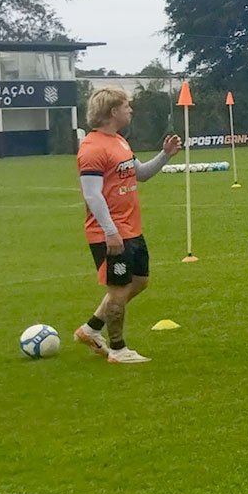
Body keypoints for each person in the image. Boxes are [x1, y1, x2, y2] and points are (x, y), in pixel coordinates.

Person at [72, 87, 182, 364]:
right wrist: (110, 231)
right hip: (110, 232)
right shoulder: (92, 148)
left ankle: (90, 329)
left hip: (131, 228)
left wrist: (165, 154)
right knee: (119, 289)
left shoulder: (119, 141)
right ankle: (118, 350)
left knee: (139, 282)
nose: (130, 110)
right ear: (113, 112)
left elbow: (141, 173)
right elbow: (92, 194)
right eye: (126, 106)